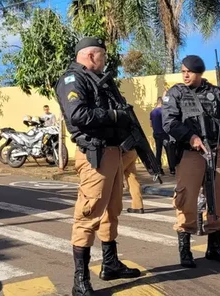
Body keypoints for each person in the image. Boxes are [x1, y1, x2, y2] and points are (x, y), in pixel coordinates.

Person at [55, 37, 141, 296]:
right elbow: (78, 114)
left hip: (114, 152)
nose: (105, 61)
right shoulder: (73, 80)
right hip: (96, 154)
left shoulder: (101, 81)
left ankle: (110, 263)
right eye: (102, 56)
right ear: (91, 56)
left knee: (111, 210)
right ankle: (80, 280)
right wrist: (114, 116)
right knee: (89, 213)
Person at [162, 55, 220, 268]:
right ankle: (185, 250)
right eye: (183, 71)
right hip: (190, 154)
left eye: (190, 71)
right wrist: (190, 137)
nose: (185, 74)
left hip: (214, 153)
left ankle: (215, 246)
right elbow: (169, 122)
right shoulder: (176, 93)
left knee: (218, 199)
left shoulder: (215, 93)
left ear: (199, 73)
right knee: (186, 199)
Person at [150, 97, 172, 175]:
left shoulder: (152, 112)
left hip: (156, 134)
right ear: (162, 103)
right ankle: (172, 169)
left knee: (158, 152)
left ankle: (159, 169)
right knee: (168, 151)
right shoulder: (164, 111)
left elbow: (151, 124)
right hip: (164, 134)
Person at [122, 148, 144, 214]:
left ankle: (112, 207)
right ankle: (138, 206)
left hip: (122, 152)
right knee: (132, 179)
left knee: (114, 177)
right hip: (132, 151)